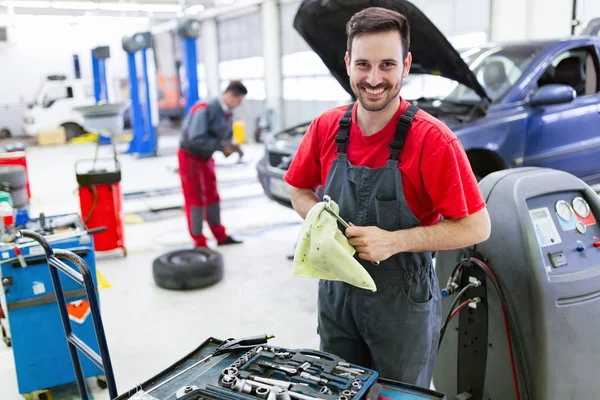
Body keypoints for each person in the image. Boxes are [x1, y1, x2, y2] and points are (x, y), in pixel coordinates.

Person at [283, 7, 491, 388]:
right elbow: (298, 189)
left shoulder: (433, 140)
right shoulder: (326, 127)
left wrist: (395, 241)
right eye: (363, 64)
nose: (374, 79)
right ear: (347, 63)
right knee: (336, 389)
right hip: (336, 293)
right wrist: (317, 218)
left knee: (399, 395)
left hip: (402, 304)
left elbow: (477, 225)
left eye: (387, 65)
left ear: (406, 65)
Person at [178, 80, 248, 248]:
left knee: (212, 196)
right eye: (238, 101)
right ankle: (199, 241)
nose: (238, 105)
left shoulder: (226, 111)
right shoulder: (205, 108)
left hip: (206, 157)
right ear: (230, 95)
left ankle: (220, 236)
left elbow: (222, 133)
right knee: (195, 197)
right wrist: (221, 147)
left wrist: (231, 147)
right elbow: (196, 138)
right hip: (190, 156)